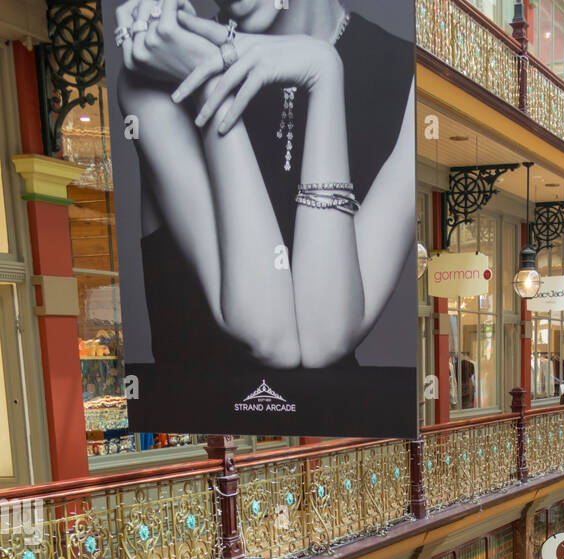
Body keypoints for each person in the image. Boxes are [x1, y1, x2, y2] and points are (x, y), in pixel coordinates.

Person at [113, 0, 416, 406]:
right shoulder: (158, 74)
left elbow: (324, 337)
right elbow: (270, 338)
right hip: (203, 449)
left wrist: (322, 72)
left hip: (334, 445)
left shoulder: (408, 78)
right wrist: (207, 78)